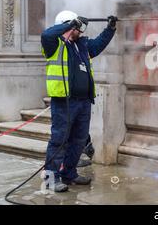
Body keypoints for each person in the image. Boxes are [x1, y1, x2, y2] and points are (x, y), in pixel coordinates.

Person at [41, 10, 117, 192]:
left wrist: (110, 28)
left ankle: (69, 174)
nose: (80, 30)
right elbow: (47, 33)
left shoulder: (82, 45)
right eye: (77, 27)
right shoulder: (54, 44)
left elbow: (98, 45)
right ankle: (51, 179)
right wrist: (71, 24)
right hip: (64, 102)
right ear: (67, 25)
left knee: (78, 140)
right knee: (59, 140)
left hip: (83, 102)